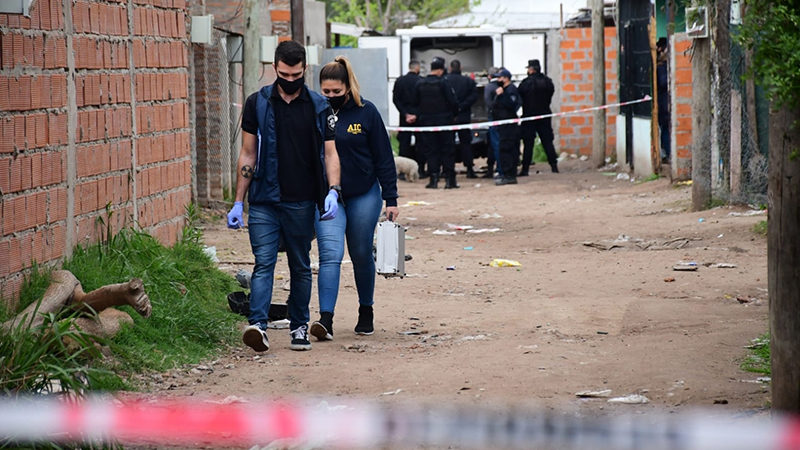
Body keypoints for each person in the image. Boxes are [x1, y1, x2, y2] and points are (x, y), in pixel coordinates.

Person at [227, 40, 341, 353]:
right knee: (263, 263)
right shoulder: (257, 103)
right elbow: (248, 153)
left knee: (300, 265)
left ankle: (299, 326)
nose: (290, 80)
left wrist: (333, 190)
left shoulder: (319, 107)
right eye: (284, 74)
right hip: (264, 199)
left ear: (305, 70)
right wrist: (238, 201)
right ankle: (258, 326)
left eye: (296, 75)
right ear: (275, 67)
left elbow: (330, 153)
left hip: (302, 200)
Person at [310, 56, 399, 341]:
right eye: (326, 91)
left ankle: (366, 309)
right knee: (330, 254)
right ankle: (326, 319)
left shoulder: (366, 112)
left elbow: (384, 157)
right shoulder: (315, 113)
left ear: (348, 87)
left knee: (360, 253)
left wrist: (391, 198)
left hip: (363, 193)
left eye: (336, 91)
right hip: (328, 197)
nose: (331, 96)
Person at [411, 56, 460, 189]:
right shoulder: (443, 83)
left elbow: (414, 103)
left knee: (431, 151)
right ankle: (450, 180)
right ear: (439, 70)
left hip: (427, 123)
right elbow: (453, 101)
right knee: (447, 150)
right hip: (444, 122)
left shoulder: (420, 83)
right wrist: (455, 115)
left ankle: (433, 179)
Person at [518, 59, 559, 175]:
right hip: (545, 114)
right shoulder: (548, 82)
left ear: (532, 70)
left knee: (528, 143)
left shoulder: (526, 83)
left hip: (529, 116)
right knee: (547, 142)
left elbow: (520, 95)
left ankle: (525, 169)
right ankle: (554, 166)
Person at [393, 60, 427, 179]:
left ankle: (402, 172)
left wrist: (405, 114)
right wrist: (416, 114)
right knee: (421, 143)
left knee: (404, 143)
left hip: (404, 118)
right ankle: (420, 169)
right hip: (419, 117)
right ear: (417, 68)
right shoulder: (421, 81)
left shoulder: (400, 81)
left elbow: (396, 99)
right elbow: (424, 100)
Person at [446, 59, 479, 179]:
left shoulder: (445, 80)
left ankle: (448, 169)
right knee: (466, 143)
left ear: (450, 68)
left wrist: (453, 108)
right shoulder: (468, 81)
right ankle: (469, 168)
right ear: (461, 68)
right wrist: (462, 106)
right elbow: (474, 96)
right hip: (464, 116)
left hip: (449, 116)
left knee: (448, 144)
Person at [490, 67, 522, 186]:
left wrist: (502, 95)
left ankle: (510, 175)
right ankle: (505, 173)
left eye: (500, 78)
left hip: (509, 125)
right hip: (502, 123)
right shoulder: (503, 89)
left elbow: (512, 104)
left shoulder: (511, 89)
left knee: (507, 148)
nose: (498, 80)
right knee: (503, 148)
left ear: (506, 78)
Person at [483, 67, 503, 179]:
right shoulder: (502, 85)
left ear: (489, 76)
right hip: (504, 118)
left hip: (493, 118)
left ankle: (499, 169)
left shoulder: (489, 87)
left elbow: (488, 103)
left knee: (495, 144)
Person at [657, 38, 670, 164]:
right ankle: (668, 153)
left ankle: (667, 152)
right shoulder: (661, 67)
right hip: (663, 104)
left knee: (666, 129)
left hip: (665, 103)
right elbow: (663, 82)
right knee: (665, 129)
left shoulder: (664, 66)